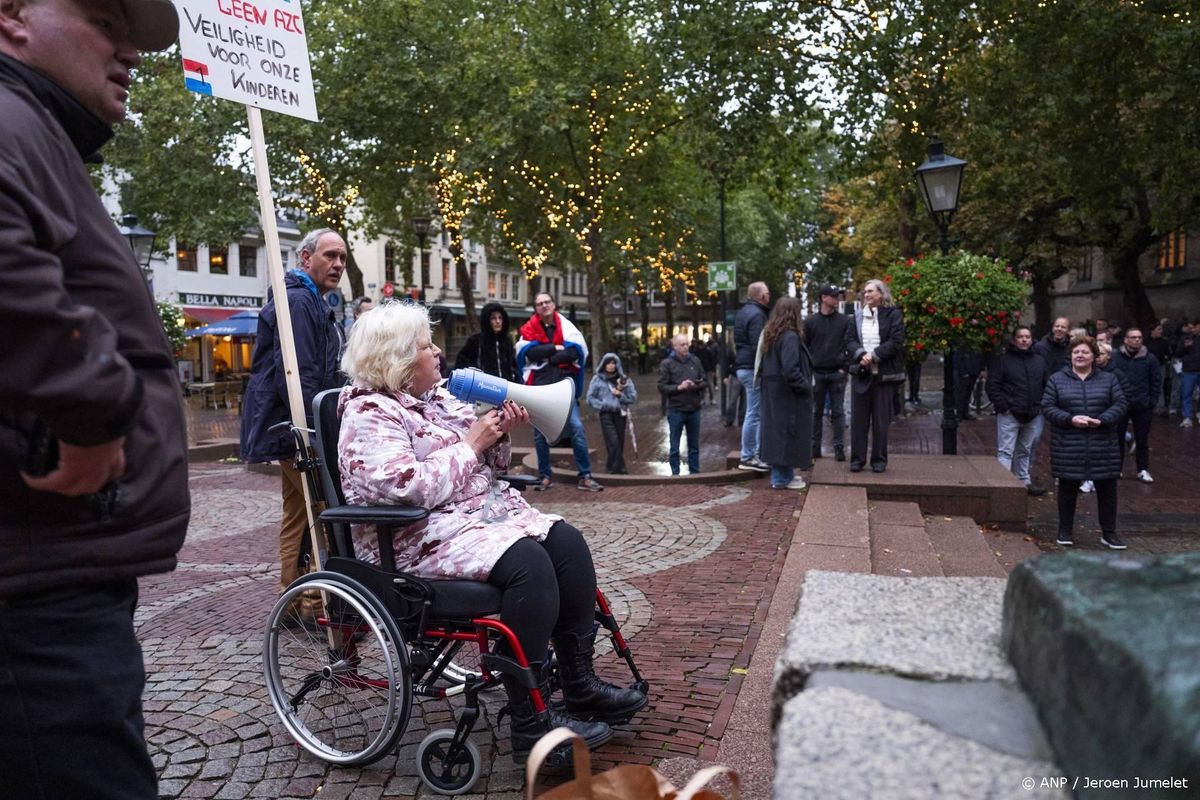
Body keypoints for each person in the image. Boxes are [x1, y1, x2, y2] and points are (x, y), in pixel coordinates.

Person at [0, 2, 189, 798]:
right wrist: (93, 411)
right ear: (12, 15)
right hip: (38, 593)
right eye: (105, 19)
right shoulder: (14, 120)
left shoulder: (35, 128)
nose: (129, 51)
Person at [335, 303, 646, 760]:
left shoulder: (438, 398)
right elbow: (406, 487)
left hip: (469, 520)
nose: (437, 352)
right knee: (529, 566)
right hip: (412, 538)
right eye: (425, 346)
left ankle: (579, 684)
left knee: (568, 545)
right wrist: (471, 443)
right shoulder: (368, 414)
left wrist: (499, 436)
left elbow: (488, 467)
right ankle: (530, 722)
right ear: (396, 359)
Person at [241, 228, 347, 621]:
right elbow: (300, 373)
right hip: (295, 428)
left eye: (342, 258)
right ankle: (312, 605)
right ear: (305, 258)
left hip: (287, 426)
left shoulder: (305, 299)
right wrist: (312, 432)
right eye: (330, 255)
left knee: (299, 514)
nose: (338, 264)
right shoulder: (302, 301)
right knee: (321, 512)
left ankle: (290, 601)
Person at [1041, 336, 1128, 549]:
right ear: (1070, 355)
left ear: (1094, 356)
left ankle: (1109, 533)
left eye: (1085, 352)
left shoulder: (1108, 379)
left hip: (1103, 443)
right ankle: (1065, 531)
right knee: (1068, 487)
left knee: (1107, 489)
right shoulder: (1056, 379)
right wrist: (1070, 419)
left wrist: (1103, 420)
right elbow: (1048, 406)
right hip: (1068, 444)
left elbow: (1120, 404)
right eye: (1076, 352)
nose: (1080, 355)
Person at [516, 293, 603, 491]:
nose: (544, 305)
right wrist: (555, 348)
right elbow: (528, 353)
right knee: (540, 434)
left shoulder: (567, 327)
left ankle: (585, 476)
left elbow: (574, 352)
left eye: (547, 302)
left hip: (564, 388)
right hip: (541, 389)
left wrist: (547, 356)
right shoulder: (529, 329)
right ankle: (545, 476)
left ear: (554, 304)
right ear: (536, 308)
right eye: (540, 303)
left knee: (577, 428)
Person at [844, 279, 906, 473]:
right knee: (858, 421)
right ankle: (857, 460)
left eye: (870, 291)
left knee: (881, 422)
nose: (867, 294)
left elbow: (896, 341)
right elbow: (849, 340)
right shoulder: (856, 316)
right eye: (865, 292)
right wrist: (861, 354)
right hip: (861, 374)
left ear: (881, 294)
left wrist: (875, 355)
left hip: (883, 376)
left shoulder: (894, 315)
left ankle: (879, 460)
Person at [985, 327, 1049, 496]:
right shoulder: (1002, 361)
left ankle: (1023, 480)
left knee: (1025, 450)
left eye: (1027, 336)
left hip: (1032, 412)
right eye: (1020, 337)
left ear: (1031, 339)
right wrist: (1004, 407)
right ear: (1014, 340)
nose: (1024, 340)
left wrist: (1040, 405)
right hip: (1010, 413)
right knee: (1006, 451)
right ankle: (1003, 484)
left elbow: (1046, 384)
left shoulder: (1039, 361)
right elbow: (992, 386)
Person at [758, 298, 814, 489]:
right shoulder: (790, 336)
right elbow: (790, 369)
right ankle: (781, 478)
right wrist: (805, 386)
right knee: (787, 434)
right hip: (787, 395)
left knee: (778, 434)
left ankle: (785, 475)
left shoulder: (772, 334)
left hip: (774, 393)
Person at [805, 284, 850, 461]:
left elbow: (849, 344)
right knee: (816, 411)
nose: (837, 299)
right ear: (823, 298)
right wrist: (810, 368)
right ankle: (814, 448)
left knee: (838, 411)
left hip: (836, 372)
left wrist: (844, 368)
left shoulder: (844, 321)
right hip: (817, 373)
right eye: (833, 296)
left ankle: (839, 448)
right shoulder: (810, 322)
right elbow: (805, 346)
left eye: (837, 296)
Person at [1112, 328, 1162, 483]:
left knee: (1142, 438)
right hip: (1121, 403)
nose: (1136, 340)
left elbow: (1156, 380)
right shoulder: (1115, 357)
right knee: (1117, 437)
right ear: (1126, 339)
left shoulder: (1150, 358)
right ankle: (1116, 468)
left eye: (1139, 337)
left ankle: (1142, 469)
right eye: (1133, 337)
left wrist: (1151, 401)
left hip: (1142, 404)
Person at [734, 281, 771, 472]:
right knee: (754, 413)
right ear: (761, 296)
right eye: (767, 293)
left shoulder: (743, 312)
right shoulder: (758, 315)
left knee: (754, 412)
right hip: (752, 368)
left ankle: (755, 454)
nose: (769, 296)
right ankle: (749, 456)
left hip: (743, 366)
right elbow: (760, 345)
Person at [658, 333, 707, 475]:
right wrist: (678, 387)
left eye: (687, 344)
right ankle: (675, 474)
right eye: (682, 345)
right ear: (675, 347)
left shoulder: (695, 361)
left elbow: (704, 381)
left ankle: (694, 473)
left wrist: (696, 385)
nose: (686, 347)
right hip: (676, 410)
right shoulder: (667, 364)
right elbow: (662, 386)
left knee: (694, 446)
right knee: (674, 446)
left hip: (694, 408)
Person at [586, 353, 637, 474]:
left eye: (613, 363)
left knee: (619, 442)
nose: (611, 366)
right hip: (606, 414)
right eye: (608, 363)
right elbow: (590, 398)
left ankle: (615, 468)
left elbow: (633, 397)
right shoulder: (597, 379)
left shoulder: (624, 380)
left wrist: (621, 396)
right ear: (603, 364)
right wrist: (603, 405)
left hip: (620, 414)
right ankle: (615, 470)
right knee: (613, 441)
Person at [454, 301, 519, 382]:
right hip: (484, 386)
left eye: (500, 318)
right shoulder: (475, 341)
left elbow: (514, 366)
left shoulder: (507, 342)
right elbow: (461, 364)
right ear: (487, 320)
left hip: (506, 386)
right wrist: (477, 375)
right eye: (493, 318)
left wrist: (515, 377)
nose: (498, 321)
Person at [1176, 320, 1199, 428]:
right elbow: (1177, 353)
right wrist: (1185, 346)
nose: (1192, 329)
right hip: (1189, 370)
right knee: (1187, 394)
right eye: (1191, 327)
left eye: (1195, 327)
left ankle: (1199, 412)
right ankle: (1187, 417)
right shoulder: (1185, 338)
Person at [1145, 322, 1172, 415]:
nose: (1161, 331)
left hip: (1160, 366)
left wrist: (1167, 358)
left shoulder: (1164, 342)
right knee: (1147, 386)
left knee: (1159, 386)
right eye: (1159, 329)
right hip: (1147, 367)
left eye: (1161, 329)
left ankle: (1160, 407)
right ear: (1152, 330)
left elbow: (1168, 354)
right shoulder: (1146, 342)